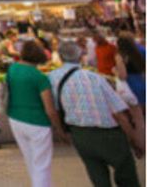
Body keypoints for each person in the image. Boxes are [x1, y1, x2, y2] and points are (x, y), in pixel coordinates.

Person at [50, 41, 143, 187]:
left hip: (79, 134)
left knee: (97, 175)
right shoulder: (95, 78)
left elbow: (54, 109)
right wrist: (134, 140)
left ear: (60, 58)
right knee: (126, 174)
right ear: (81, 56)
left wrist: (61, 132)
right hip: (109, 134)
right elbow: (119, 114)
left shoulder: (51, 78)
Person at [6, 41, 67, 187]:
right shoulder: (40, 77)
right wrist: (59, 129)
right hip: (37, 123)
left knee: (31, 161)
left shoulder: (12, 69)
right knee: (42, 165)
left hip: (15, 119)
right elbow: (50, 110)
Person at [115, 33, 145, 113]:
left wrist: (115, 71)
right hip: (141, 81)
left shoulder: (121, 56)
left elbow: (123, 76)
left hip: (130, 84)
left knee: (137, 114)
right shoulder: (142, 50)